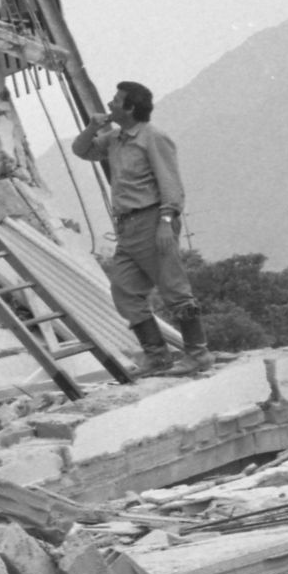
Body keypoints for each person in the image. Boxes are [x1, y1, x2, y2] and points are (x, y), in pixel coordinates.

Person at [71, 82, 209, 376]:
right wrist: (91, 127)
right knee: (124, 291)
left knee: (174, 289)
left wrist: (166, 223)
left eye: (116, 101)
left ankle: (198, 354)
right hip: (127, 227)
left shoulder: (153, 138)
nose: (110, 104)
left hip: (152, 221)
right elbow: (81, 150)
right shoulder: (115, 138)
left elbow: (171, 184)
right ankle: (158, 357)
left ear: (131, 108)